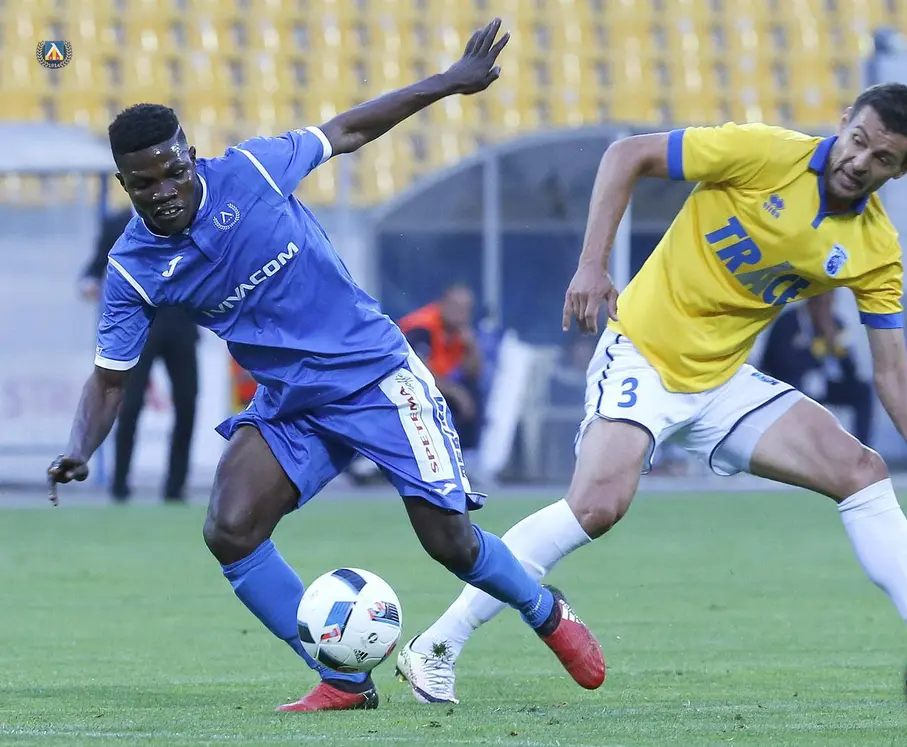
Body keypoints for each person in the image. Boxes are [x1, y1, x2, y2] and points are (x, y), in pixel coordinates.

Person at [395, 83, 907, 704]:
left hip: (721, 380)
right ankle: (439, 643)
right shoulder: (763, 153)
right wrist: (592, 264)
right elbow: (626, 155)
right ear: (843, 122)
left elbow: (892, 371)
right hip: (643, 352)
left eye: (882, 157)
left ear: (902, 170)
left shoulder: (876, 248)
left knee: (862, 472)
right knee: (596, 506)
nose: (860, 161)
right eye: (857, 140)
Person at [46, 18, 604, 712]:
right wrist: (79, 448)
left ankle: (546, 609)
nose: (163, 191)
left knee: (451, 544)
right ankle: (343, 679)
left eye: (173, 172)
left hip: (376, 378)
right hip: (292, 402)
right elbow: (110, 379)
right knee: (230, 528)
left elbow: (347, 130)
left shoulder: (251, 170)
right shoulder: (134, 267)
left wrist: (448, 83)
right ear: (123, 184)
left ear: (193, 155)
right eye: (143, 184)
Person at [81, 206, 199, 502]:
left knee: (187, 404)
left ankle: (175, 488)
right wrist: (89, 282)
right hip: (139, 328)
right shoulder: (117, 224)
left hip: (181, 324)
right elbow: (96, 265)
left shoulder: (185, 214)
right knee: (129, 405)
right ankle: (120, 484)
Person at [760, 291, 874, 446]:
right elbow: (781, 363)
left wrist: (837, 348)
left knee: (862, 390)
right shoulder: (788, 322)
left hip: (822, 383)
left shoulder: (836, 324)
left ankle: (862, 447)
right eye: (822, 303)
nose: (826, 308)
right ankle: (799, 446)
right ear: (811, 301)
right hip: (789, 384)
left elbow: (850, 371)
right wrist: (817, 348)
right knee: (799, 386)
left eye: (830, 303)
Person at [398, 285, 484, 453]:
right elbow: (417, 372)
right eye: (456, 307)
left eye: (466, 309)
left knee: (473, 389)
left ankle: (468, 453)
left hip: (438, 384)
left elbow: (475, 372)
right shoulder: (422, 327)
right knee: (457, 397)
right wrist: (455, 392)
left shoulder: (460, 332)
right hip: (406, 388)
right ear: (442, 304)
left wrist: (472, 347)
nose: (461, 314)